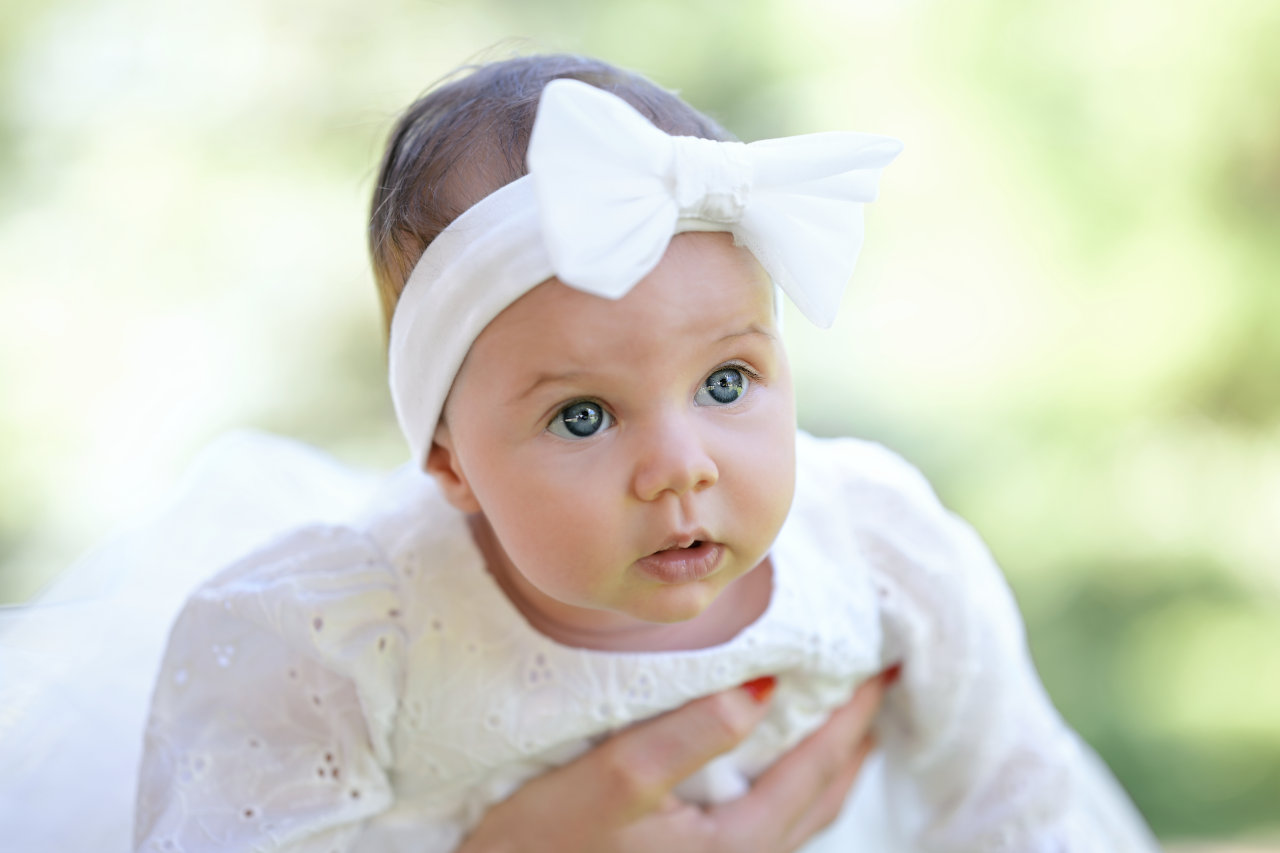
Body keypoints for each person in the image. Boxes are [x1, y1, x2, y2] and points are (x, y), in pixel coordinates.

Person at [131, 54, 1162, 851]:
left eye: (724, 383)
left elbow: (1015, 800)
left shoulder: (877, 545)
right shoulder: (348, 635)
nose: (680, 466)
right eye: (582, 415)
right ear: (447, 460)